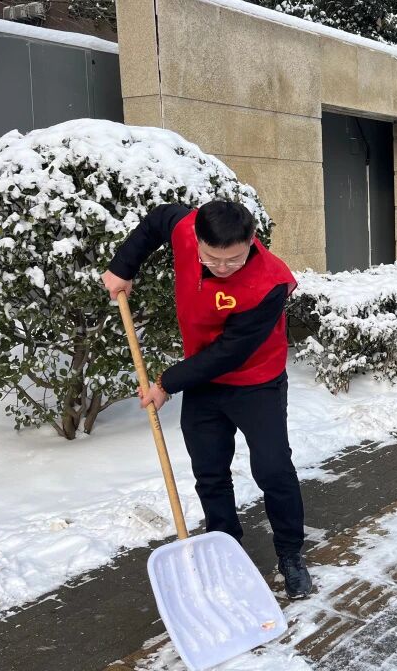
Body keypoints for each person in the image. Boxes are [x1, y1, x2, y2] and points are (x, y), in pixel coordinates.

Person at [100, 200, 312, 599]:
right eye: (212, 258)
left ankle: (290, 554)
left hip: (256, 382)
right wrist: (123, 267)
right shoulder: (184, 228)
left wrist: (166, 383)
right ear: (196, 239)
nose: (222, 267)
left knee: (273, 470)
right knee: (210, 471)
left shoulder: (269, 283)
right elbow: (158, 219)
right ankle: (225, 546)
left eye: (234, 259)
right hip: (204, 382)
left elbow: (230, 353)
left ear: (251, 241)